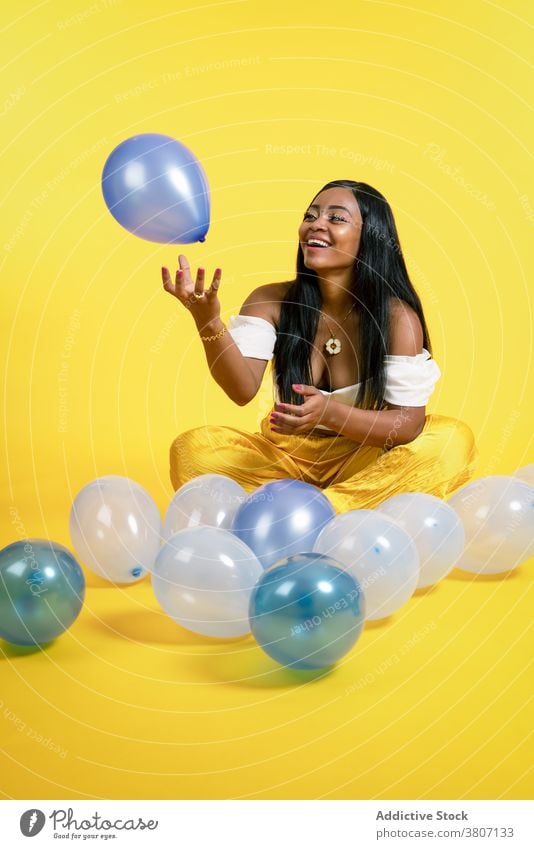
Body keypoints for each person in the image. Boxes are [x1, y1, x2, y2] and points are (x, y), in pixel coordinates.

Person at [162, 180, 477, 513]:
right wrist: (208, 322)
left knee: (450, 444)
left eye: (336, 218)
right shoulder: (270, 300)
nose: (316, 224)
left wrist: (330, 413)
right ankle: (341, 512)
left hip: (365, 460)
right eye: (311, 216)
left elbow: (408, 424)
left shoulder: (397, 318)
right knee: (192, 450)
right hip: (285, 460)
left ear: (369, 237)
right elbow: (241, 390)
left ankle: (309, 513)